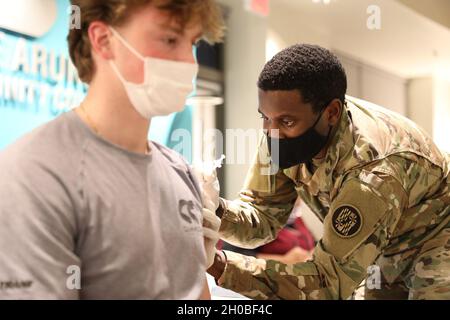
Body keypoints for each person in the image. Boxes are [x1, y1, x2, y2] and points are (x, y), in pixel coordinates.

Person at [0, 0, 224, 299]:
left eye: (193, 43)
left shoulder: (180, 172)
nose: (188, 62)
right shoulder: (33, 175)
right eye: (170, 39)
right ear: (104, 40)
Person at [207, 44, 450, 300]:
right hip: (384, 242)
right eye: (265, 118)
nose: (272, 132)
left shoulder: (372, 172)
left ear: (331, 113)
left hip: (438, 235)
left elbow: (326, 284)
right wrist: (212, 210)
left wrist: (221, 265)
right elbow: (262, 218)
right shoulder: (280, 131)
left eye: (286, 121)